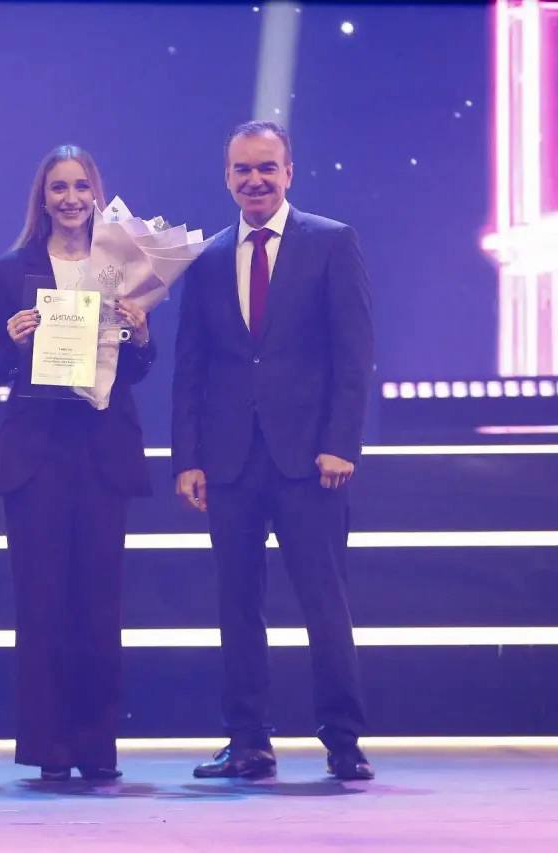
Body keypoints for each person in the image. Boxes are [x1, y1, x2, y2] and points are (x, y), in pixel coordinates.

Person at [171, 121, 375, 781]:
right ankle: (248, 741)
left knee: (324, 600)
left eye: (266, 168)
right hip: (229, 460)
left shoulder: (331, 241)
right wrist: (188, 457)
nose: (255, 180)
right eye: (243, 169)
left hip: (310, 461)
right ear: (226, 177)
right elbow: (191, 364)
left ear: (289, 172)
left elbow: (354, 354)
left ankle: (344, 741)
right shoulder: (207, 257)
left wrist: (340, 443)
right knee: (236, 604)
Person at [0, 145, 154, 782]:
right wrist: (12, 338)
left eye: (82, 186)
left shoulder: (124, 267)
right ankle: (48, 747)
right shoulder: (12, 269)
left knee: (99, 606)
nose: (72, 198)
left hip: (103, 451)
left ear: (96, 195)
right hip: (37, 455)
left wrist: (141, 334)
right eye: (59, 187)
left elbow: (139, 367)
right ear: (43, 198)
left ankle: (96, 746)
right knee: (42, 603)